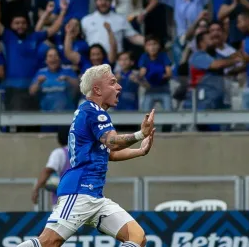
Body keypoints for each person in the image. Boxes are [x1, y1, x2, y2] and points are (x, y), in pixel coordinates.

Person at [17, 64, 155, 247]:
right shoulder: (93, 112)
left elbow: (109, 153)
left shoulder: (88, 111)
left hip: (95, 196)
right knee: (48, 242)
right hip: (79, 191)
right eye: (113, 82)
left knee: (137, 237)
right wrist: (140, 135)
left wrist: (140, 150)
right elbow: (112, 141)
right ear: (97, 89)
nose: (119, 87)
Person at [31, 126, 71, 206]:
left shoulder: (59, 153)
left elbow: (47, 171)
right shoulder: (84, 153)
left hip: (63, 203)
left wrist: (36, 189)